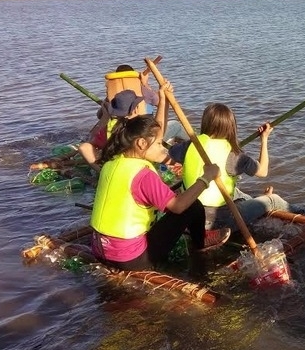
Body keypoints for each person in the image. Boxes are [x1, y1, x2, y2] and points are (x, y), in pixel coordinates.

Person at [89, 105, 230, 273]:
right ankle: (200, 243)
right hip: (130, 258)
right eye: (157, 143)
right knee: (192, 206)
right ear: (141, 143)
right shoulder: (143, 174)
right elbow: (178, 206)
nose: (162, 148)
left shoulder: (111, 164)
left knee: (176, 202)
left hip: (99, 249)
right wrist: (206, 178)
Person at [168, 103, 300, 230]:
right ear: (231, 127)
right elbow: (263, 171)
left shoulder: (190, 145)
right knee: (273, 200)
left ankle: (258, 202)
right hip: (218, 219)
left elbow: (171, 151)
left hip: (189, 214)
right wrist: (264, 139)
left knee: (237, 193)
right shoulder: (234, 155)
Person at [77, 89, 150, 172]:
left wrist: (104, 117)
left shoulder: (110, 125)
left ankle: (102, 173)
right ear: (135, 108)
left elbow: (93, 141)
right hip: (131, 164)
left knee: (84, 147)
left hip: (113, 164)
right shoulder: (140, 124)